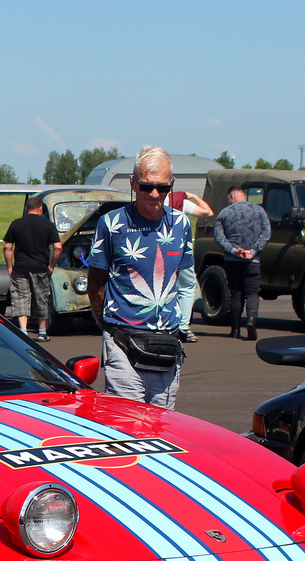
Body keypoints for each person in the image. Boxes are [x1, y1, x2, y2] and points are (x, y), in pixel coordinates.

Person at [87, 146, 193, 409]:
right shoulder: (112, 224)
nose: (155, 194)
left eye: (162, 188)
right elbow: (95, 283)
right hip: (123, 343)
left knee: (161, 429)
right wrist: (108, 328)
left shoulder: (181, 225)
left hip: (166, 345)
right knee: (128, 427)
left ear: (172, 184)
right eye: (146, 187)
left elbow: (178, 279)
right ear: (133, 183)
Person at [213, 187, 270, 340]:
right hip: (253, 259)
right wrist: (253, 250)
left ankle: (235, 328)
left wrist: (233, 250)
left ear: (232, 196)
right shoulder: (260, 211)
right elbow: (266, 234)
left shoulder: (224, 213)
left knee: (236, 293)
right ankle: (251, 320)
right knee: (252, 292)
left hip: (232, 260)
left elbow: (219, 237)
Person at [3, 195, 62, 342]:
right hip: (41, 267)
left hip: (21, 267)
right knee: (42, 298)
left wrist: (10, 267)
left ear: (26, 208)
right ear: (41, 208)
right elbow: (58, 248)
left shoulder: (16, 224)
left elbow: (7, 247)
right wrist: (52, 266)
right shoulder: (48, 225)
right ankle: (42, 332)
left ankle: (23, 331)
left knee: (21, 297)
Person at [166, 190, 213, 343]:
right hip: (179, 250)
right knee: (186, 288)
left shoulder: (147, 204)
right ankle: (183, 327)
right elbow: (208, 212)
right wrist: (194, 196)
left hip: (158, 252)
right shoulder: (180, 202)